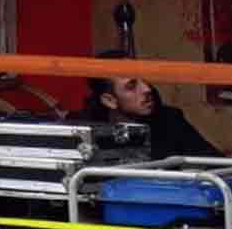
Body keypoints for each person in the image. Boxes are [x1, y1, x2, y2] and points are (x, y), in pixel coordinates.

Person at [83, 50, 222, 159]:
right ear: (110, 101)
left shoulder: (170, 120)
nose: (147, 89)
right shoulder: (89, 133)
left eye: (143, 78)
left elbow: (215, 162)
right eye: (132, 86)